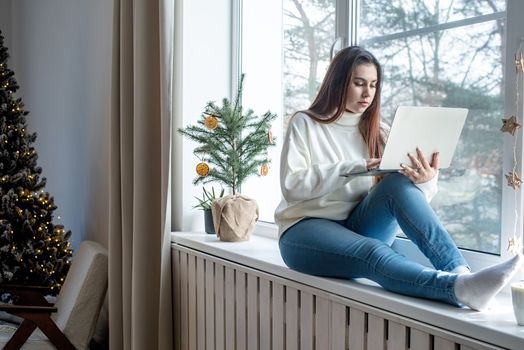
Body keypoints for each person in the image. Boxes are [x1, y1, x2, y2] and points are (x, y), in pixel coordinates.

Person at [275, 46, 523, 311]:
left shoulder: (379, 131)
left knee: (399, 183)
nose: (368, 93)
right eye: (359, 84)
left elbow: (407, 200)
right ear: (338, 83)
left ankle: (461, 272)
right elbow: (293, 185)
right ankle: (457, 289)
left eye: (373, 85)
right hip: (305, 229)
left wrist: (425, 180)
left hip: (359, 225)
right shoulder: (306, 123)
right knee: (375, 253)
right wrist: (357, 166)